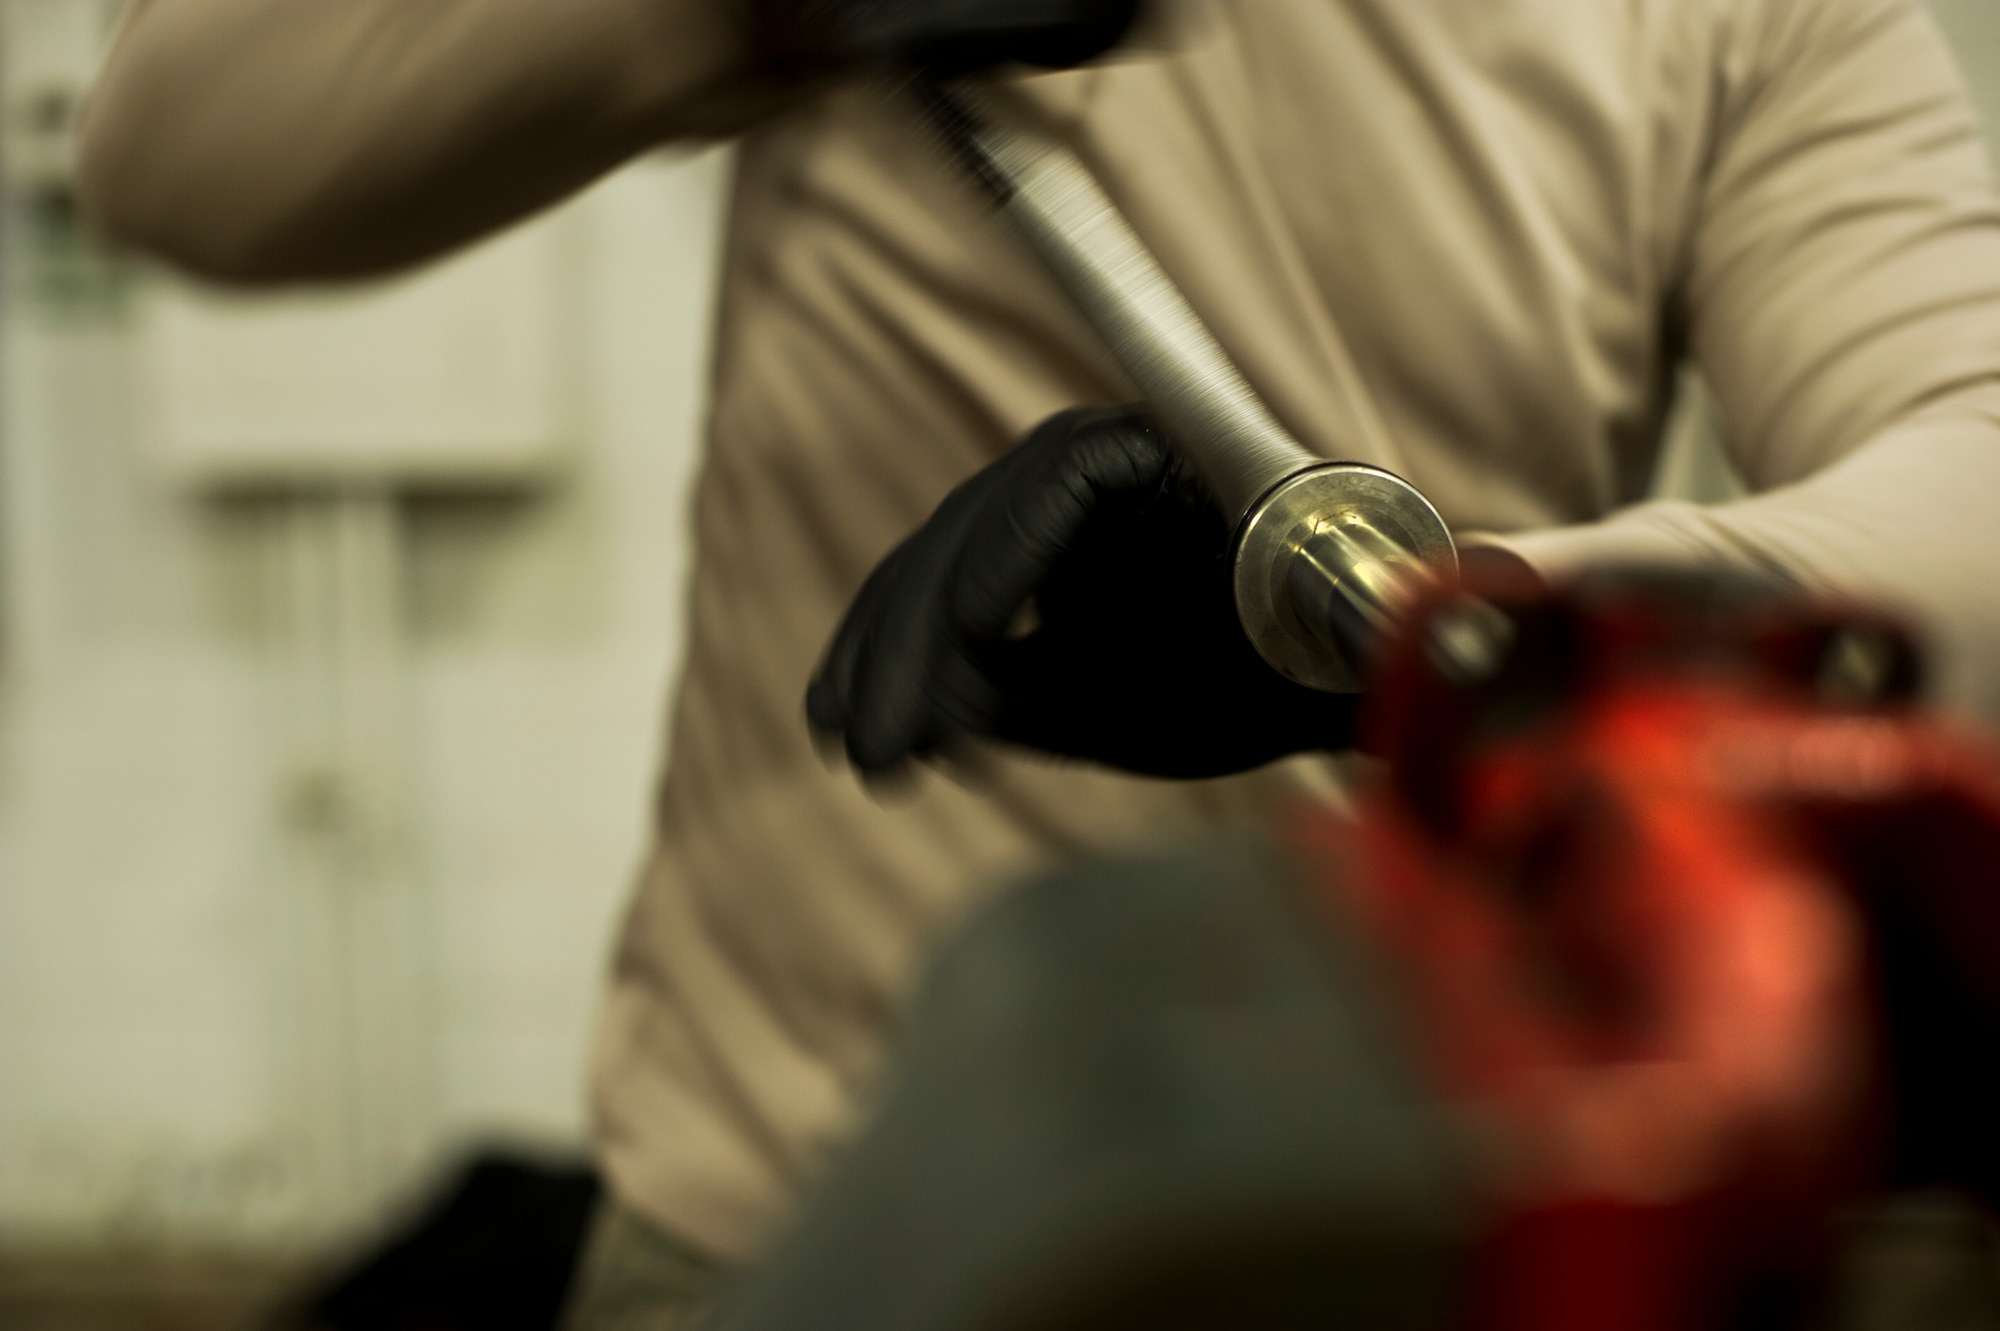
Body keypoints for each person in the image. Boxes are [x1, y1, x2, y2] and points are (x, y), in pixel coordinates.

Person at [75, 0, 2000, 1326]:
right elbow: (180, 159)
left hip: (1388, 1208)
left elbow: (1976, 481)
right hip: (793, 1218)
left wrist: (1417, 624)